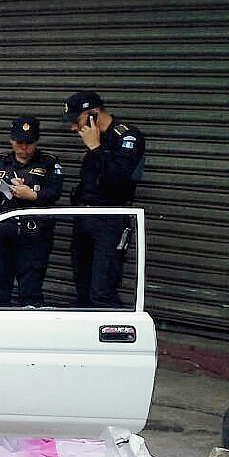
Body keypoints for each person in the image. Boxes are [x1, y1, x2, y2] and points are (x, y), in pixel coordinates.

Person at [61, 91, 146, 308]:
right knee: (83, 288)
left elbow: (118, 179)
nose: (74, 128)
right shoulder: (95, 139)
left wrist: (96, 148)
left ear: (94, 114)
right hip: (84, 218)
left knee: (102, 290)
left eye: (77, 121)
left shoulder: (127, 137)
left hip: (109, 220)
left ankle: (118, 337)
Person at [0, 116, 64, 307]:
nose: (24, 148)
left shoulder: (48, 163)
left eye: (29, 143)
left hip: (33, 237)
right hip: (0, 235)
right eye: (19, 142)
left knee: (31, 292)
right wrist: (4, 189)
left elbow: (54, 192)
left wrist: (31, 195)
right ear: (11, 141)